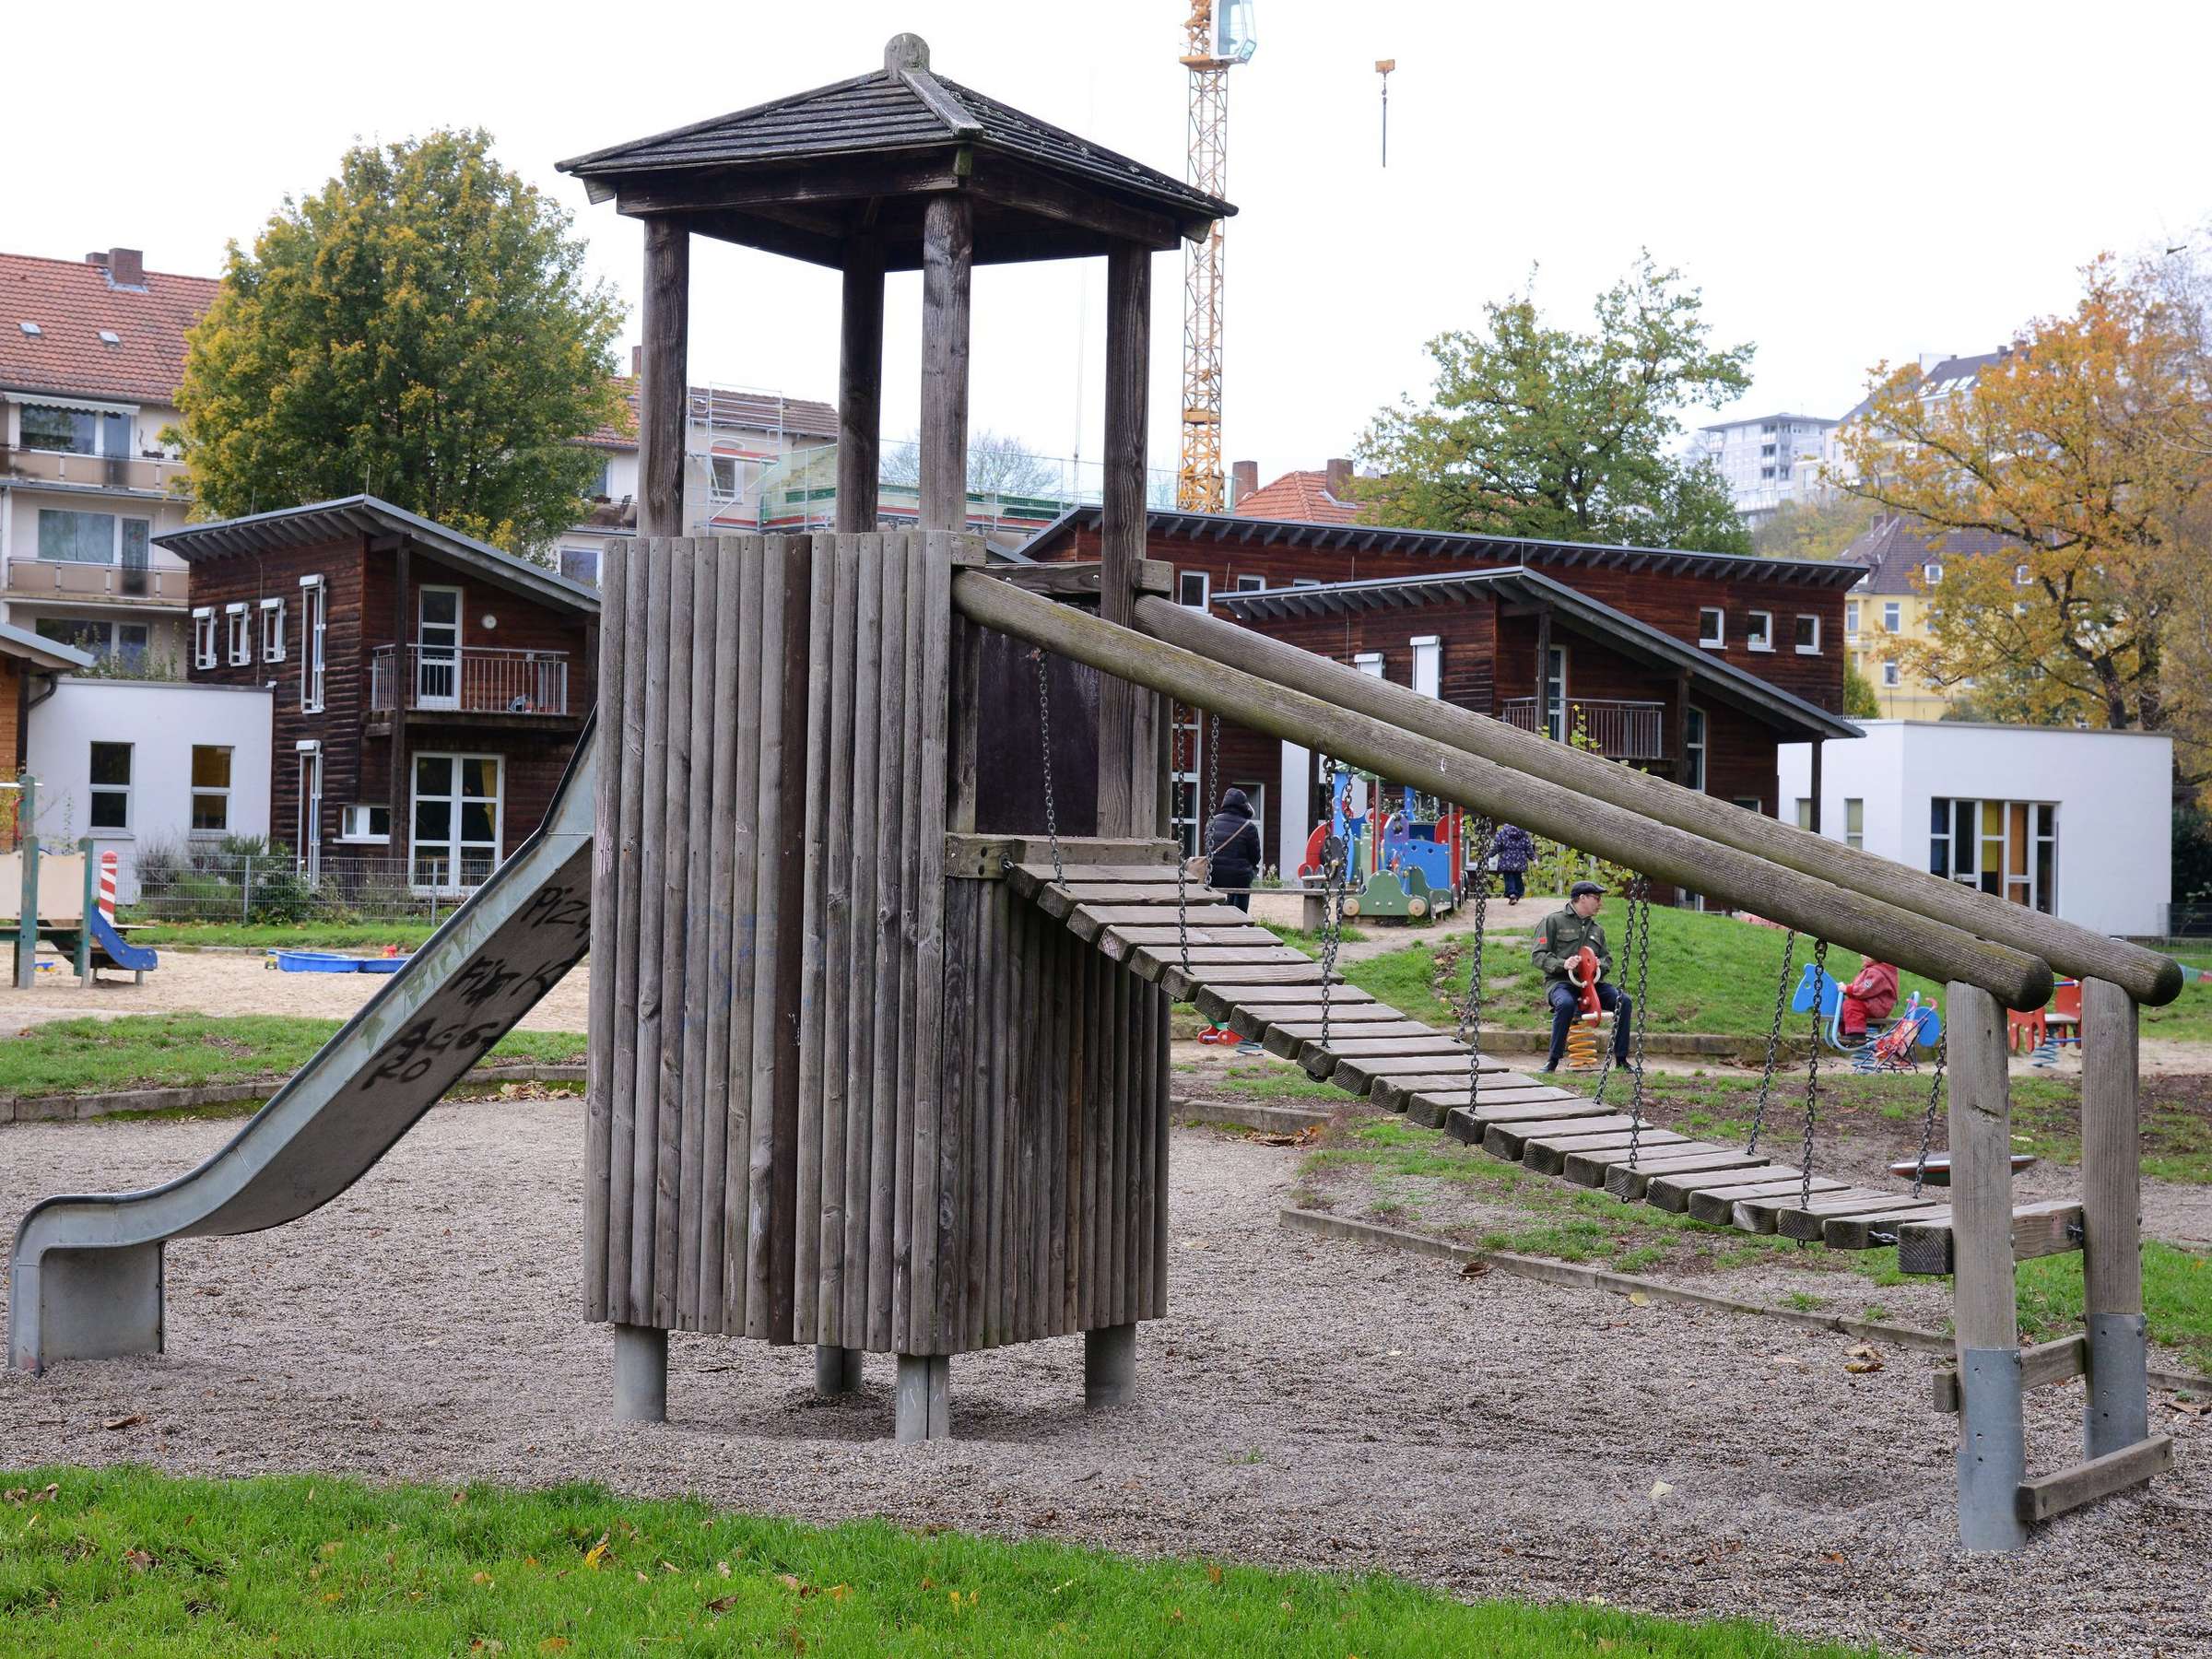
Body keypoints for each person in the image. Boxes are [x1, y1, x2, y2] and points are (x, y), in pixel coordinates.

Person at [1530, 880, 1633, 1072]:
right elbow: (1538, 955)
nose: (1600, 903)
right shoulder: (1553, 921)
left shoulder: (1597, 929)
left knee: (1623, 1001)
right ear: (1582, 898)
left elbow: (1607, 958)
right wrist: (1564, 964)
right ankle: (1552, 1061)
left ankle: (1621, 1060)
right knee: (1566, 1004)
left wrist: (1600, 964)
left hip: (1592, 983)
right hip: (1562, 982)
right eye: (1596, 898)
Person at [1203, 787, 1263, 913]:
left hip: (1213, 875)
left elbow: (1207, 849)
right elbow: (1256, 857)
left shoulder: (1211, 822)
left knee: (1235, 873)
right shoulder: (1249, 827)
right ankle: (1240, 915)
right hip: (1238, 879)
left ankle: (1222, 912)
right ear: (1244, 805)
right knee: (1243, 877)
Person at [1838, 958, 1899, 1043]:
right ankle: (1847, 1035)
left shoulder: (1876, 973)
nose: (1862, 956)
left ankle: (1856, 1035)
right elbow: (1861, 985)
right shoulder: (1873, 970)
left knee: (1851, 1005)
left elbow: (1865, 989)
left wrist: (1847, 989)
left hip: (1876, 1006)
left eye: (1866, 954)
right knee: (1847, 1005)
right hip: (1872, 1004)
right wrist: (1848, 988)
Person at [1492, 822, 1535, 905]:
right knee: (1517, 877)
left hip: (1506, 861)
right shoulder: (1523, 833)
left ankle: (1512, 894)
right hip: (1519, 861)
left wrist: (1489, 855)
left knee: (1508, 878)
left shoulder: (1502, 833)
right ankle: (1517, 893)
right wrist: (1533, 858)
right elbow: (1528, 847)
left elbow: (1496, 846)